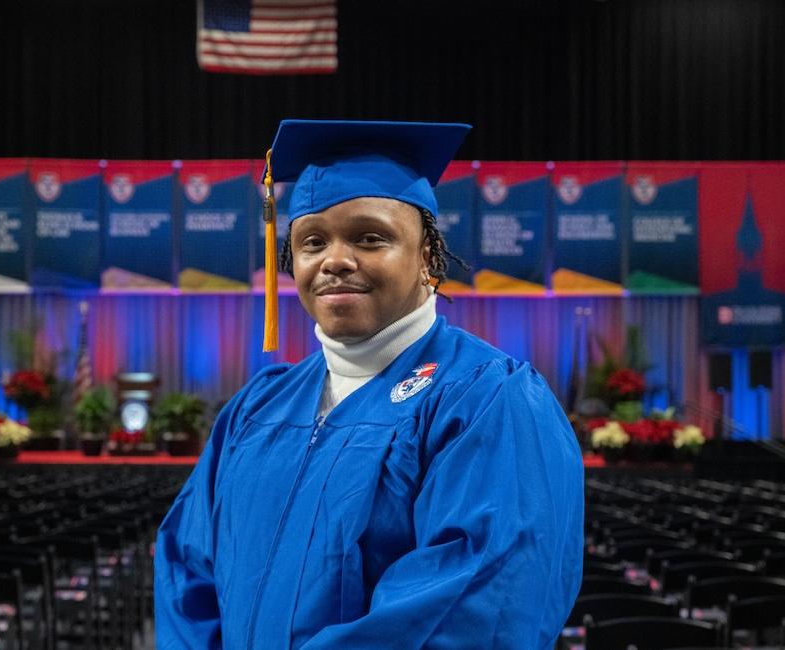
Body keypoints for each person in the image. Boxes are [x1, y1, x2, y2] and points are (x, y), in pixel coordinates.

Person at [155, 120, 583, 649]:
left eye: (369, 237)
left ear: (428, 257)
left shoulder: (486, 399)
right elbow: (186, 569)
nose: (334, 259)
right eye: (312, 241)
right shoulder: (255, 407)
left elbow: (473, 604)